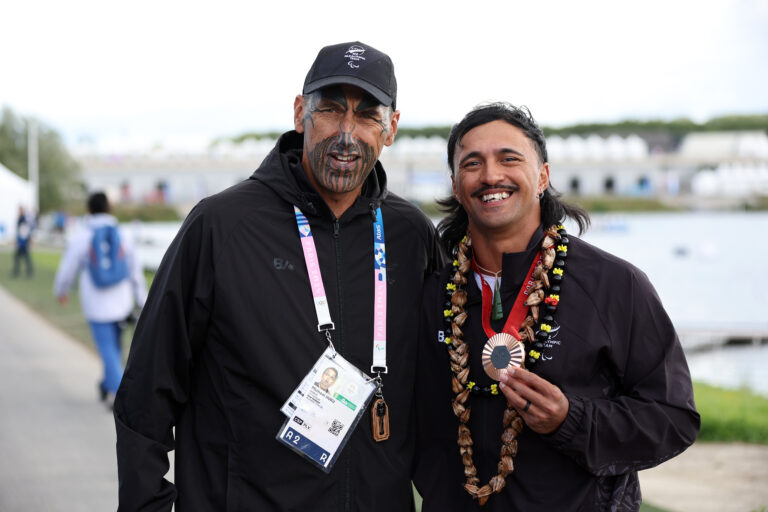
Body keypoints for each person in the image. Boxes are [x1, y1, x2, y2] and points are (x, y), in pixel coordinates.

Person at [114, 41, 444, 511]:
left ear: (391, 128)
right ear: (298, 113)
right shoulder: (221, 225)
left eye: (368, 115)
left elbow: (437, 399)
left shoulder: (411, 235)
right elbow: (146, 392)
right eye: (330, 110)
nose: (346, 133)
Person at [414, 103, 699, 511]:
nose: (491, 175)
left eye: (509, 159)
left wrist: (572, 421)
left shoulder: (614, 285)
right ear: (457, 187)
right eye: (472, 163)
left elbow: (673, 418)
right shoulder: (433, 294)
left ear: (543, 176)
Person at [54, 192, 147, 408]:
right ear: (110, 208)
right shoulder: (123, 235)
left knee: (108, 351)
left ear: (89, 210)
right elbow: (135, 270)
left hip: (96, 305)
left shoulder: (82, 236)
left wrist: (62, 291)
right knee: (114, 348)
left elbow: (68, 267)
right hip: (122, 302)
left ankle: (119, 395)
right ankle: (107, 384)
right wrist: (142, 299)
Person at [12, 205, 34, 278]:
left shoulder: (23, 219)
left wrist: (25, 241)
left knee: (25, 258)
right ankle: (18, 271)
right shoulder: (20, 219)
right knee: (19, 258)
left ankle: (28, 272)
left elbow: (24, 231)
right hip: (21, 242)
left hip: (23, 243)